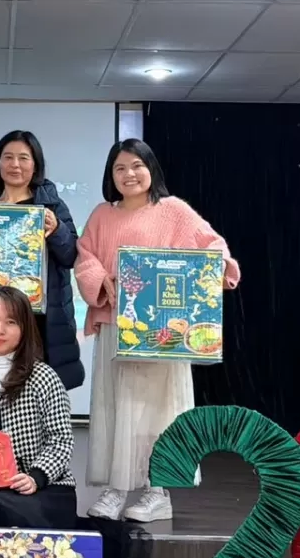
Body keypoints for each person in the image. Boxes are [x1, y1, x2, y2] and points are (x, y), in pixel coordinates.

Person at [73, 138, 240, 524]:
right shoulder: (102, 214)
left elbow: (212, 247)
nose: (128, 174)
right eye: (119, 168)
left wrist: (213, 268)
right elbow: (85, 257)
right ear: (110, 175)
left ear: (152, 169)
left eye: (137, 165)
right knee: (115, 407)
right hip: (117, 328)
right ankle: (116, 489)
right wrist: (100, 279)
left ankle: (157, 491)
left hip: (163, 334)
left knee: (158, 412)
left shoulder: (174, 211)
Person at [0, 130, 84, 392]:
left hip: (36, 323)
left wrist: (57, 230)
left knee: (31, 394)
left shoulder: (52, 206)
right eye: (8, 157)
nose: (15, 165)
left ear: (35, 164)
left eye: (23, 158)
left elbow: (70, 255)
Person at [0, 284, 80, 531]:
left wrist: (36, 477)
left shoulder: (43, 377)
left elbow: (61, 439)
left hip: (47, 490)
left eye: (11, 322)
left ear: (24, 328)